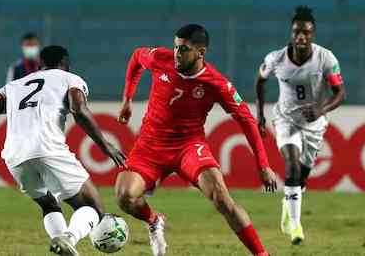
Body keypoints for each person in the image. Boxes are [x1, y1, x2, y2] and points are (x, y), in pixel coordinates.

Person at [115, 24, 277, 256]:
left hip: (188, 147)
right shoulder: (161, 59)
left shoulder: (216, 83)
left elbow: (247, 121)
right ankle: (154, 220)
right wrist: (127, 99)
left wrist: (263, 166)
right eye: (175, 47)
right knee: (124, 197)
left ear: (201, 53)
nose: (176, 54)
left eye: (183, 49)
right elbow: (137, 57)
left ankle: (262, 254)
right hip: (150, 145)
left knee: (222, 199)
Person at [0, 45, 126, 256]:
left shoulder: (14, 86)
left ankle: (63, 248)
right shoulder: (70, 79)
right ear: (65, 63)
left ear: (41, 64)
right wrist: (106, 145)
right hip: (49, 149)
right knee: (93, 209)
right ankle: (68, 238)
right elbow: (78, 109)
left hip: (15, 157)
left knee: (48, 204)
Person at [255, 6, 345, 245]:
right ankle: (295, 226)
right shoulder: (276, 58)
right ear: (291, 33)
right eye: (296, 32)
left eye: (306, 33)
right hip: (286, 120)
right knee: (292, 167)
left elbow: (339, 92)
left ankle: (289, 206)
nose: (301, 37)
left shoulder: (326, 58)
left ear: (313, 35)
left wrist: (320, 110)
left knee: (302, 177)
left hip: (314, 124)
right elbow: (260, 81)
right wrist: (261, 116)